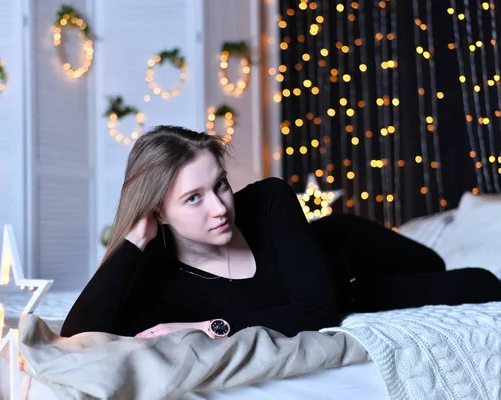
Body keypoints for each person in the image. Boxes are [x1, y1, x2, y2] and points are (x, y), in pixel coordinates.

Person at [60, 125, 501, 339]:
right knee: (480, 284)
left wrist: (209, 327)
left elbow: (318, 312)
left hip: (342, 248)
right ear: (159, 211)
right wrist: (135, 237)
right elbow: (77, 335)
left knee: (445, 265)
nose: (219, 208)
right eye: (193, 198)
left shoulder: (269, 198)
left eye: (220, 185)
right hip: (356, 294)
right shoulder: (159, 276)